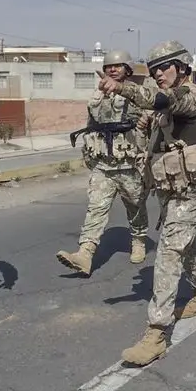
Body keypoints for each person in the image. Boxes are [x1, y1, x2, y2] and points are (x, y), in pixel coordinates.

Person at [94, 40, 196, 366]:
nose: (157, 75)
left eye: (162, 68)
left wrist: (123, 87)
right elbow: (147, 132)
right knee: (185, 243)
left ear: (181, 67)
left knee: (168, 250)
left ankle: (156, 332)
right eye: (152, 71)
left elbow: (159, 98)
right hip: (171, 189)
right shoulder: (162, 109)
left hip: (192, 190)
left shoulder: (188, 96)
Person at [56, 50, 150, 275]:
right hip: (103, 164)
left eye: (118, 66)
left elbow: (152, 114)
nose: (112, 69)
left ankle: (138, 240)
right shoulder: (96, 95)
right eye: (109, 66)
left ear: (127, 69)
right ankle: (85, 254)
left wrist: (146, 122)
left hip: (129, 163)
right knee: (95, 208)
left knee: (135, 206)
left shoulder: (135, 92)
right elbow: (91, 124)